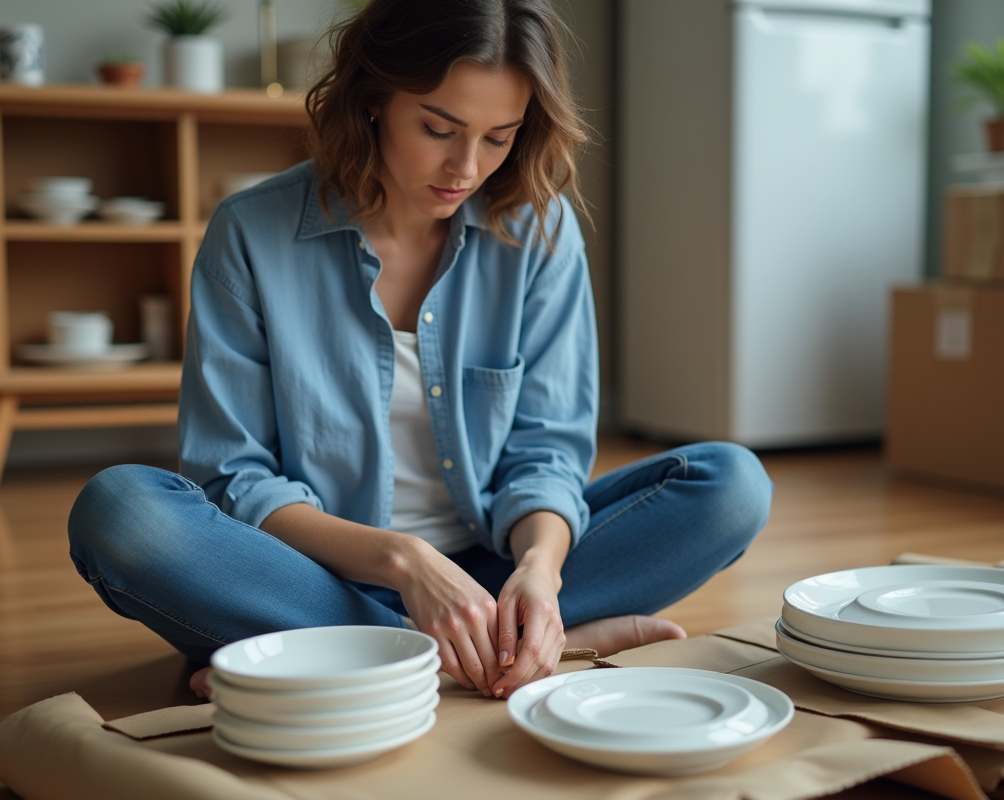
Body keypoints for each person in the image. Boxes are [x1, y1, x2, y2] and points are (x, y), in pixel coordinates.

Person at [67, 0, 772, 701]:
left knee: (730, 485)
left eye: (500, 136)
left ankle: (342, 655)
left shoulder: (539, 230)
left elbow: (547, 453)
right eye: (439, 128)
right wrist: (406, 562)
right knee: (122, 514)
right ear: (373, 100)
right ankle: (499, 645)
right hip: (309, 575)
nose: (466, 166)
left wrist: (541, 572)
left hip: (492, 568)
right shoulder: (252, 232)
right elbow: (235, 477)